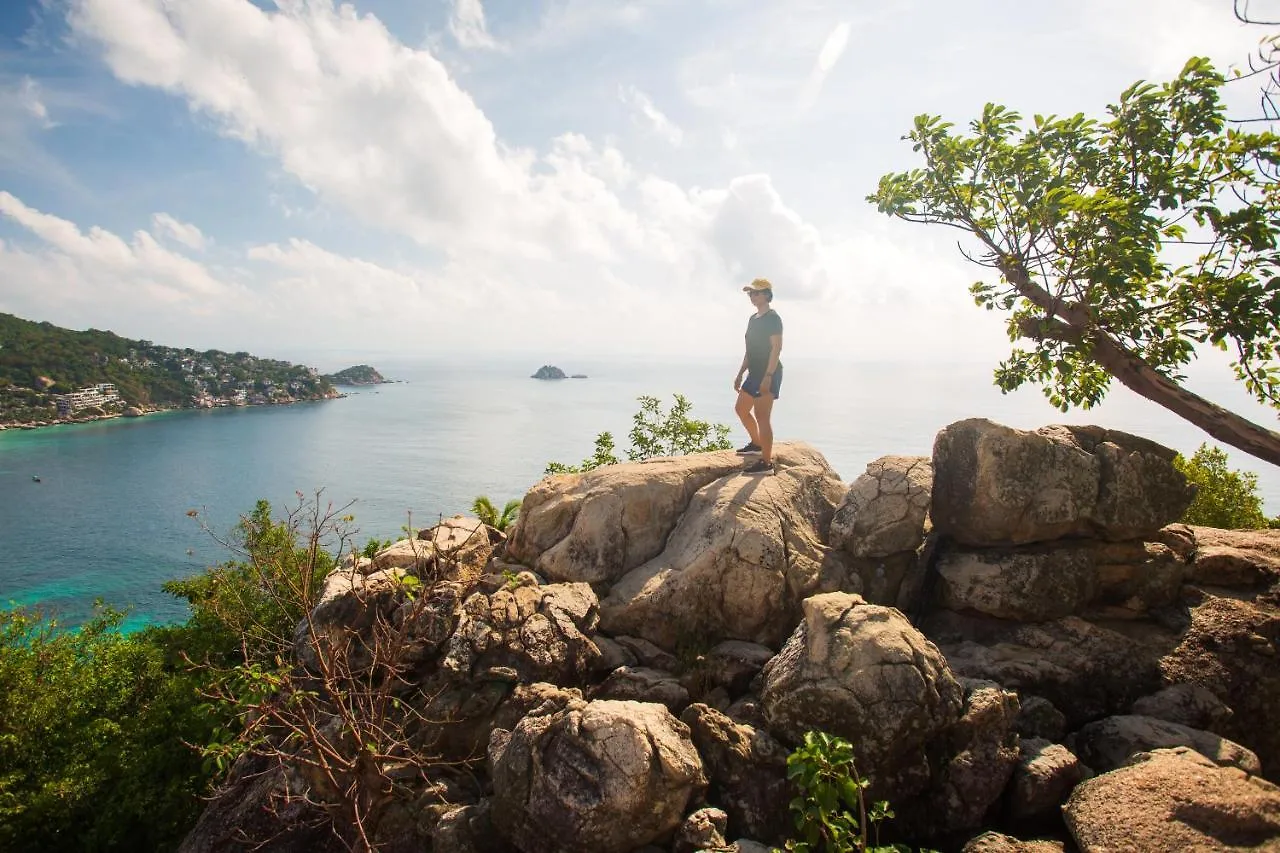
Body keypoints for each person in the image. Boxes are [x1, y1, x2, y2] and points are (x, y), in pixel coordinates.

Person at [733, 277, 783, 473]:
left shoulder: (773, 318)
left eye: (756, 293)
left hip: (768, 373)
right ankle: (756, 444)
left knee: (762, 416)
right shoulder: (752, 319)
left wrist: (768, 376)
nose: (752, 296)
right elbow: (750, 349)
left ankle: (767, 463)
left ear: (766, 295)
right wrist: (740, 373)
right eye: (750, 293)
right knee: (741, 409)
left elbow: (776, 348)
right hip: (753, 373)